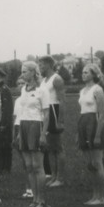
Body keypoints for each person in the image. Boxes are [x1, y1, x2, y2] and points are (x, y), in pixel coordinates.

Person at [14, 62, 50, 207]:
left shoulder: (43, 90)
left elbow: (47, 114)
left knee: (37, 165)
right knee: (28, 166)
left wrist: (43, 134)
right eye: (22, 72)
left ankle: (41, 200)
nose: (23, 74)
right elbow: (22, 110)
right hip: (23, 126)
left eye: (25, 71)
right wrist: (18, 134)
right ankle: (34, 199)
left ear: (33, 72)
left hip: (36, 125)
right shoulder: (24, 89)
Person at [78, 63, 104, 205]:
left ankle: (101, 197)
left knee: (97, 162)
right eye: (82, 72)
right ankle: (94, 195)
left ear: (94, 74)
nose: (83, 74)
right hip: (83, 122)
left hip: (94, 124)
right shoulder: (82, 91)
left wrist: (97, 135)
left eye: (86, 72)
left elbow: (101, 114)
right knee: (89, 163)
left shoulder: (98, 90)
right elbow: (82, 110)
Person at [39, 56, 66, 187]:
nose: (40, 68)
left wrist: (60, 121)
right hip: (46, 111)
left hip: (54, 110)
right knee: (49, 148)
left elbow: (62, 100)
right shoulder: (43, 80)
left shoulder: (57, 79)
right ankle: (53, 176)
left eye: (42, 65)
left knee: (58, 147)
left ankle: (60, 178)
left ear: (49, 65)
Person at [0, 68, 14, 175]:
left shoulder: (4, 89)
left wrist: (4, 124)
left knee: (5, 146)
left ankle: (6, 167)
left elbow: (7, 109)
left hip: (4, 123)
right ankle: (0, 166)